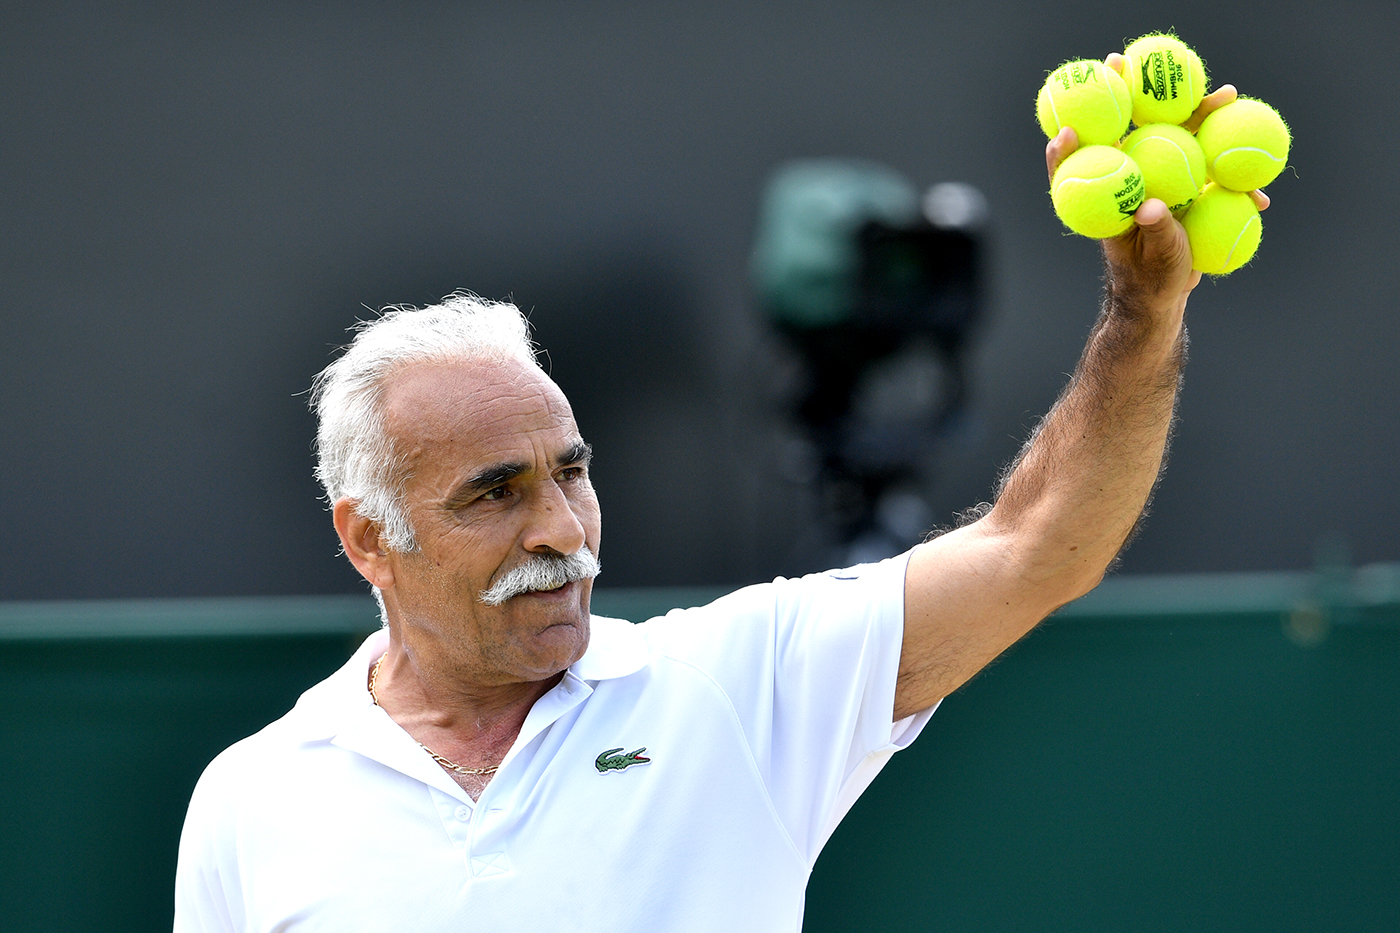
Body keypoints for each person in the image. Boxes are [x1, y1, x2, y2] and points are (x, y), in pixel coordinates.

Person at [174, 57, 1269, 932]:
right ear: (369, 537)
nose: (560, 530)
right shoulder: (250, 798)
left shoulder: (736, 684)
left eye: (571, 472)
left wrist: (1143, 315)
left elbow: (1036, 545)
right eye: (493, 494)